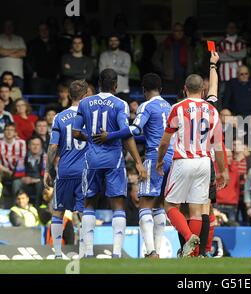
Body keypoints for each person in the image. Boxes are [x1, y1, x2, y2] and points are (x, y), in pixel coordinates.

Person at [156, 52, 228, 257]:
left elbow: (165, 141)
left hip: (183, 160)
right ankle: (194, 254)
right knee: (198, 210)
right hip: (205, 162)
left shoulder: (177, 108)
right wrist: (222, 171)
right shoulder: (212, 110)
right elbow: (219, 145)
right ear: (203, 90)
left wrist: (160, 161)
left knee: (170, 205)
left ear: (185, 89)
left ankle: (188, 238)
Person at [93, 73, 173, 259]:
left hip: (154, 157)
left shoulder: (146, 106)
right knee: (160, 204)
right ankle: (158, 251)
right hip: (172, 158)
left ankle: (151, 251)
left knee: (145, 203)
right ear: (160, 89)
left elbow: (135, 129)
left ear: (144, 90)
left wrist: (110, 135)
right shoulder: (169, 106)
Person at [72, 69, 146, 258]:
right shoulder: (120, 103)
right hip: (114, 159)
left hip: (92, 159)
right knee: (118, 205)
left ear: (98, 83)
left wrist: (91, 137)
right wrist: (138, 161)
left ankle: (88, 252)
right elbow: (125, 132)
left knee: (88, 203)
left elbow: (74, 131)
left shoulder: (85, 103)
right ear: (115, 85)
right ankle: (116, 253)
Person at [43, 80, 89, 259]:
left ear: (69, 96)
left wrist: (48, 170)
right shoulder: (89, 115)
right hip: (85, 171)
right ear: (85, 95)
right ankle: (85, 252)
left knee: (58, 211)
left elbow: (53, 146)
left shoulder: (59, 117)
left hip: (65, 171)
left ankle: (57, 254)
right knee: (85, 211)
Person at [152, 23, 192, 94]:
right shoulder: (165, 44)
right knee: (169, 99)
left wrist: (189, 72)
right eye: (177, 30)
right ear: (173, 32)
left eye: (181, 30)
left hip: (183, 78)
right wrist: (164, 69)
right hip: (168, 79)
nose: (179, 32)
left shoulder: (187, 45)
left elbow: (191, 61)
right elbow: (155, 59)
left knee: (182, 99)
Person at [26, 22, 59, 94]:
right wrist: (32, 72)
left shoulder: (55, 43)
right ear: (38, 31)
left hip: (52, 77)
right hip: (38, 78)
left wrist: (58, 72)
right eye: (41, 29)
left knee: (52, 101)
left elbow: (59, 59)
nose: (44, 31)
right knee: (38, 100)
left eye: (45, 29)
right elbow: (28, 60)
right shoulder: (33, 43)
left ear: (49, 30)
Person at [0, 123, 26, 208]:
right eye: (7, 130)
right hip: (3, 171)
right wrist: (7, 171)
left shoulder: (21, 143)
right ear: (3, 132)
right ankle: (1, 206)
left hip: (17, 172)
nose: (9, 132)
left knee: (17, 183)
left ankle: (16, 207)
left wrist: (14, 173)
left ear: (15, 132)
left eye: (11, 130)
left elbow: (22, 161)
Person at [0, 20, 26, 89]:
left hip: (18, 75)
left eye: (10, 25)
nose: (8, 27)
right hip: (2, 75)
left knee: (17, 97)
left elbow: (23, 53)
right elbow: (1, 52)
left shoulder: (19, 39)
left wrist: (6, 52)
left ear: (13, 27)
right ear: (4, 27)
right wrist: (17, 49)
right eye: (7, 26)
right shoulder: (0, 38)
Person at [21, 137, 46, 206]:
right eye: (33, 144)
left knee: (40, 184)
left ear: (41, 146)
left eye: (38, 145)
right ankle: (18, 206)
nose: (35, 147)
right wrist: (22, 178)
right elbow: (18, 173)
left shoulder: (45, 157)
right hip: (26, 179)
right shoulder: (23, 156)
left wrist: (35, 180)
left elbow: (48, 176)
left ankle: (37, 206)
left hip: (40, 180)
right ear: (29, 146)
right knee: (16, 183)